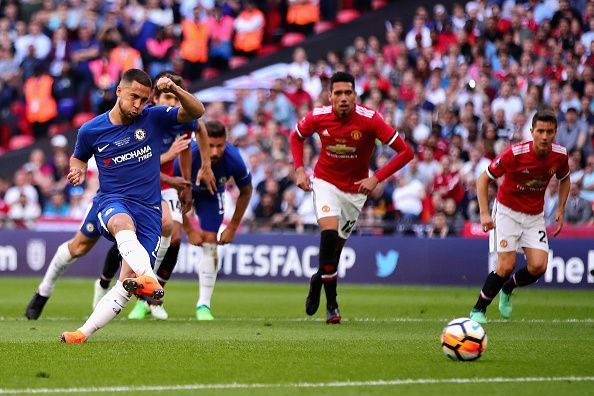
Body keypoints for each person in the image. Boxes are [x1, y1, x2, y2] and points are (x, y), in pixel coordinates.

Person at [60, 68, 205, 343]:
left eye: (143, 99)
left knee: (126, 284)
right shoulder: (91, 130)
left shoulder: (153, 117)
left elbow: (197, 111)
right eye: (133, 97)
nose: (137, 105)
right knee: (120, 223)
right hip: (113, 201)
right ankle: (149, 278)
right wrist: (76, 171)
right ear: (118, 91)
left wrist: (174, 91)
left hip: (149, 211)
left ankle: (82, 334)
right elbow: (78, 158)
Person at [290, 71, 414, 324]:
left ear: (355, 95)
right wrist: (299, 169)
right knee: (328, 235)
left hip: (356, 191)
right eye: (338, 93)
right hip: (325, 183)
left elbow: (406, 152)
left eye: (348, 93)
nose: (344, 98)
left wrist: (376, 178)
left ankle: (317, 280)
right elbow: (296, 136)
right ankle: (332, 306)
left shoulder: (370, 120)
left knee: (334, 253)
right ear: (330, 96)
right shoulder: (318, 116)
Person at [94, 71, 215, 321]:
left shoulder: (175, 120)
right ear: (154, 99)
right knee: (125, 238)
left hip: (164, 186)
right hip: (135, 186)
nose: (171, 103)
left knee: (173, 235)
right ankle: (109, 283)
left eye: (174, 99)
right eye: (166, 98)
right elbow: (141, 164)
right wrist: (169, 162)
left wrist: (200, 170)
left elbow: (199, 128)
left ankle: (150, 296)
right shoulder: (143, 118)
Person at [470, 110, 570, 324]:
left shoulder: (560, 155)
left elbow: (565, 179)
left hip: (534, 216)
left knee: (539, 266)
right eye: (540, 131)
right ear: (532, 131)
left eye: (549, 132)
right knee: (505, 266)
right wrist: (485, 213)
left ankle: (508, 288)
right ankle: (479, 309)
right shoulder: (515, 153)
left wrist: (561, 209)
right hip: (507, 213)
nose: (544, 136)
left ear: (555, 132)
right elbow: (482, 179)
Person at [181, 120, 252, 320]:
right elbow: (167, 190)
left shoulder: (234, 159)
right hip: (181, 191)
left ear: (226, 142)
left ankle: (203, 305)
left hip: (211, 194)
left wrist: (232, 227)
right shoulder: (188, 155)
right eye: (209, 145)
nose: (214, 151)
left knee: (210, 241)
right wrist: (188, 229)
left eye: (219, 146)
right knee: (167, 234)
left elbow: (246, 191)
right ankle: (146, 302)